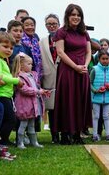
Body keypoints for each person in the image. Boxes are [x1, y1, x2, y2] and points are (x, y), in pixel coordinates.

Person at [53, 3, 92, 145]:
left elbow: (88, 52)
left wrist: (85, 66)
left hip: (82, 70)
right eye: (73, 14)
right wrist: (75, 66)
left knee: (80, 100)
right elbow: (60, 52)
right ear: (67, 16)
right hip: (68, 70)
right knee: (67, 100)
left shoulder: (84, 33)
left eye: (78, 15)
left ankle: (77, 133)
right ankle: (65, 133)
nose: (76, 17)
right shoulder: (61, 32)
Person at [12, 53, 49, 149]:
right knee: (23, 125)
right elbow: (24, 89)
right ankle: (20, 143)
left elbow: (36, 87)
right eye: (29, 64)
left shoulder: (32, 75)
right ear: (21, 65)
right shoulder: (19, 77)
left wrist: (42, 91)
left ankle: (34, 142)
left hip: (33, 105)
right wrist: (38, 91)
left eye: (31, 64)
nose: (31, 65)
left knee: (32, 125)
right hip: (24, 105)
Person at [0, 31, 23, 145]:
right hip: (1, 95)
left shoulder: (1, 60)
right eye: (5, 47)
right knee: (10, 120)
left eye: (11, 48)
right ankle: (0, 144)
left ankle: (1, 144)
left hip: (6, 95)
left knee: (9, 120)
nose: (9, 50)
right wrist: (16, 80)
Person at [39, 13, 60, 143]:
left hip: (62, 76)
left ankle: (65, 133)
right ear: (46, 26)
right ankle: (54, 136)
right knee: (51, 109)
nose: (52, 26)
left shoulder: (64, 39)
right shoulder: (42, 41)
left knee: (63, 108)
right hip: (48, 77)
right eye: (49, 24)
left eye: (54, 24)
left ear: (59, 25)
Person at [90, 50, 109, 141]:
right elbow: (90, 83)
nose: (105, 60)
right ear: (99, 59)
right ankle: (95, 135)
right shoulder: (94, 69)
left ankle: (108, 135)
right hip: (96, 97)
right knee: (96, 116)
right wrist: (95, 90)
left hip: (107, 97)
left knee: (106, 116)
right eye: (103, 59)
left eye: (107, 59)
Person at [21, 16, 42, 81]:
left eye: (32, 25)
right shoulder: (20, 40)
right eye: (27, 25)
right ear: (22, 27)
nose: (30, 27)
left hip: (36, 73)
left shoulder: (36, 40)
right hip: (23, 74)